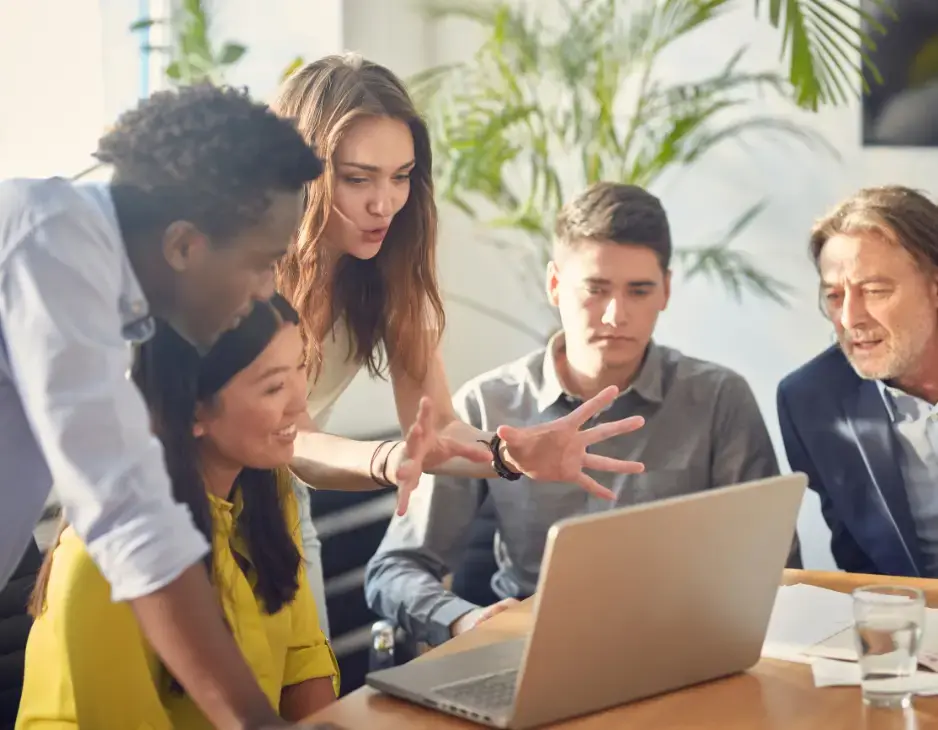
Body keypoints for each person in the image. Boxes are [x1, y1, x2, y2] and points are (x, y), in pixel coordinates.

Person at [271, 55, 648, 630]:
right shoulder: (250, 269)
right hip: (178, 499)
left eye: (401, 176)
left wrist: (507, 455)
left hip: (278, 505)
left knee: (305, 703)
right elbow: (288, 436)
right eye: (358, 178)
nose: (385, 203)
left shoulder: (391, 265)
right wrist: (391, 459)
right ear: (302, 170)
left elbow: (438, 423)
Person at [0, 85, 326, 728]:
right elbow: (128, 513)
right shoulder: (51, 239)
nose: (266, 291)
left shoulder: (115, 304)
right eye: (263, 263)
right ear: (182, 246)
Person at [362, 182, 802, 645]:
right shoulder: (488, 405)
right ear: (555, 285)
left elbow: (774, 562)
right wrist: (464, 621)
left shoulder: (718, 400)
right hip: (531, 647)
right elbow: (394, 568)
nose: (615, 314)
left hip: (683, 644)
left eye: (639, 291)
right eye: (595, 289)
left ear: (666, 291)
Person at [17, 294, 339, 728]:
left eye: (301, 366)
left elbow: (302, 659)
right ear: (192, 411)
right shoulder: (100, 562)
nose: (301, 403)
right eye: (274, 386)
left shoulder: (268, 490)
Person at [778, 185, 938, 577]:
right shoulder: (811, 401)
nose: (850, 318)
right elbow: (861, 563)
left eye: (874, 290)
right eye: (834, 296)